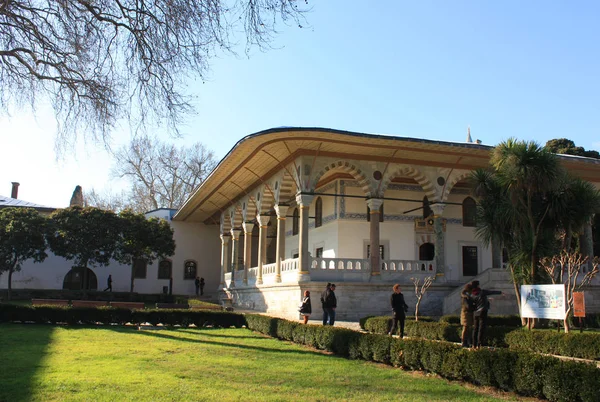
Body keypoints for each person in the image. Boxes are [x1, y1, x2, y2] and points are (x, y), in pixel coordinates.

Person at [471, 280, 503, 348]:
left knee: (475, 328)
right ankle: (479, 344)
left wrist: (487, 300)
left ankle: (474, 344)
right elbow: (491, 292)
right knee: (481, 328)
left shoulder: (472, 294)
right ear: (477, 285)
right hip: (482, 312)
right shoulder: (482, 292)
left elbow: (476, 302)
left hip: (475, 313)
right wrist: (500, 292)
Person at [460, 283, 475, 347]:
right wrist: (474, 306)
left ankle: (468, 341)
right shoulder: (465, 297)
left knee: (468, 328)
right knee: (465, 328)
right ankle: (463, 341)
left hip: (468, 313)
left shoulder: (468, 296)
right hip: (466, 314)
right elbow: (467, 306)